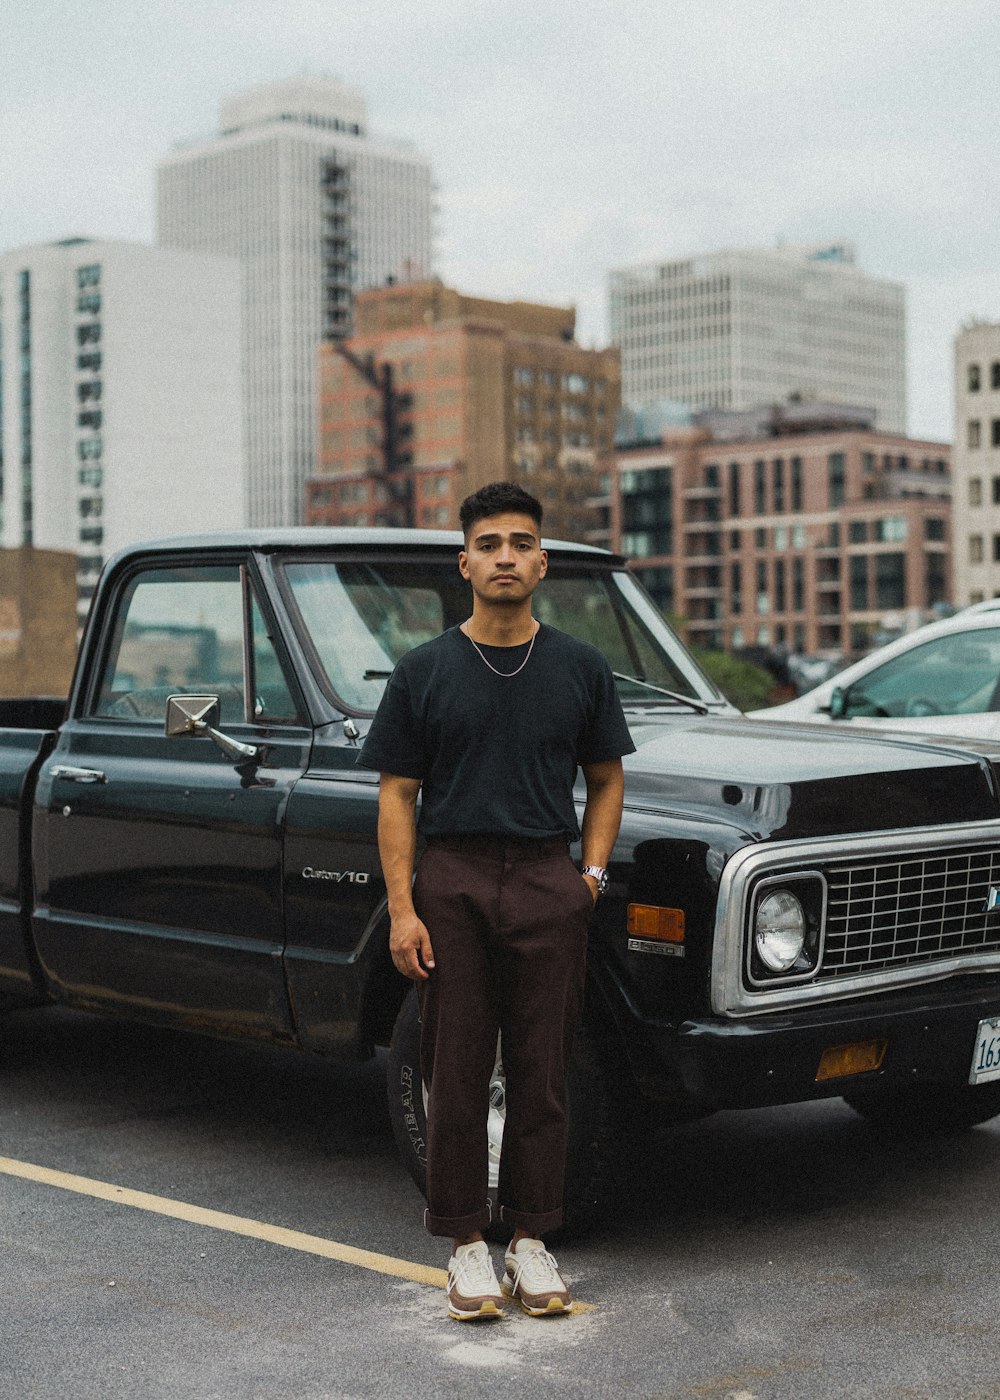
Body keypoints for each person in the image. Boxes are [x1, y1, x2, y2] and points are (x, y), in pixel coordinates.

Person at [357, 481, 634, 1320]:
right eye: (490, 543)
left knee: (545, 1071)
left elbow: (608, 778)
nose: (505, 556)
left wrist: (587, 876)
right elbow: (397, 794)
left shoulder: (581, 668)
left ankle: (531, 1241)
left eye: (521, 543)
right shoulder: (425, 670)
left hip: (549, 879)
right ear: (465, 561)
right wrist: (404, 910)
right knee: (457, 1068)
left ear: (542, 561)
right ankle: (467, 1248)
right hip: (456, 882)